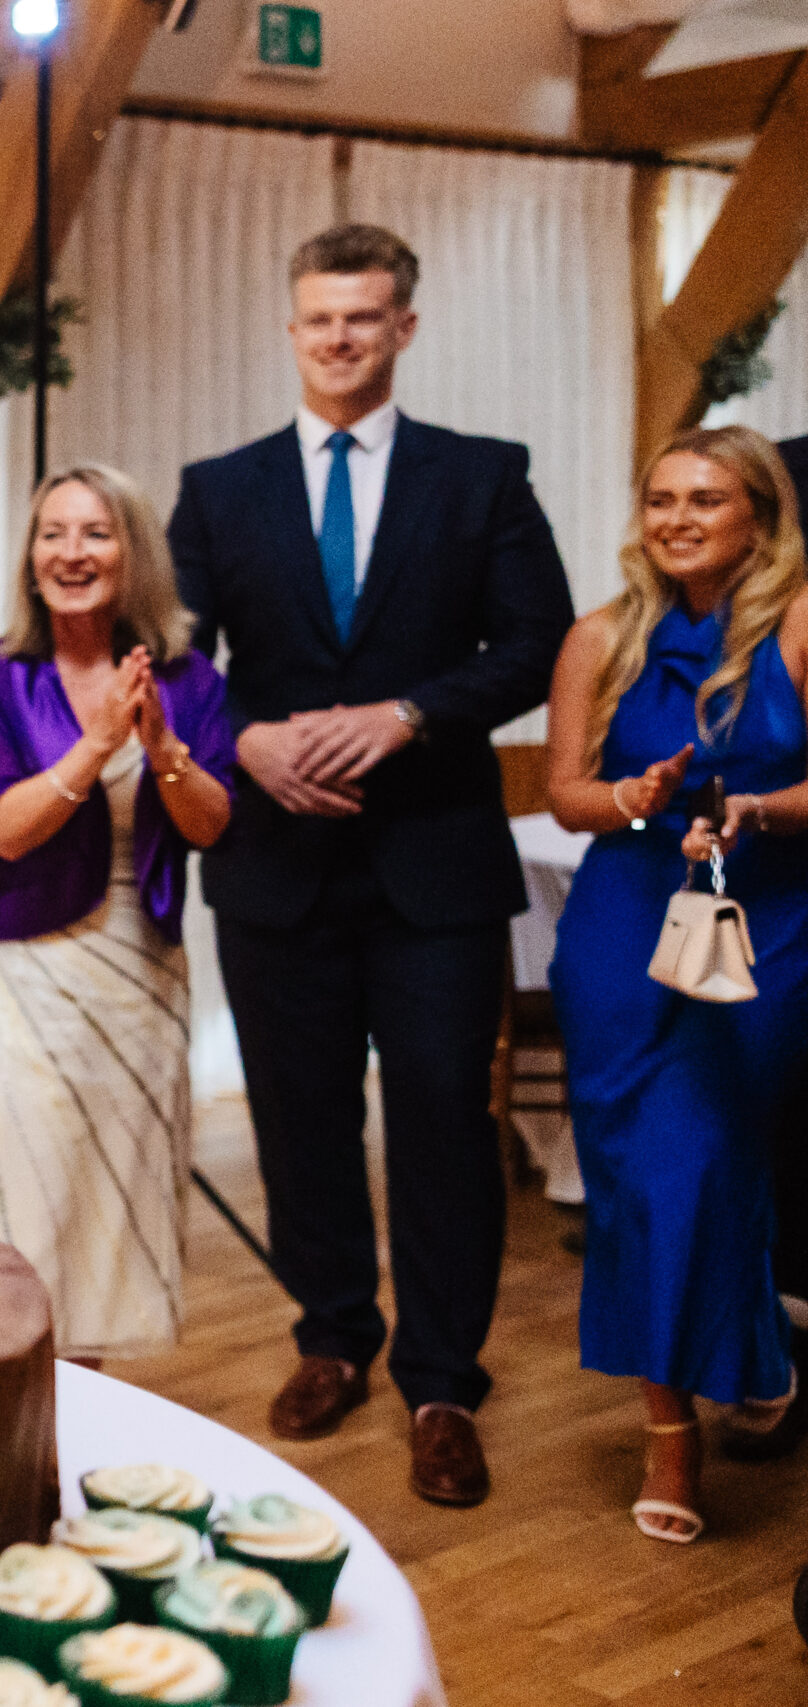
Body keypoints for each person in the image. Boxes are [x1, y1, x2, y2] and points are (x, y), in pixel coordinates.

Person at [166, 223, 573, 1506]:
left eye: (363, 317)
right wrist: (254, 738)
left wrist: (407, 716)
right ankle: (332, 1338)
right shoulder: (217, 489)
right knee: (301, 1123)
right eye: (317, 319)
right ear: (290, 331)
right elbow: (174, 668)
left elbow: (535, 643)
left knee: (447, 1126)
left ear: (403, 327)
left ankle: (444, 1380)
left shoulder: (481, 478)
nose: (338, 338)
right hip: (277, 862)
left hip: (434, 862)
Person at [0, 465, 234, 1364]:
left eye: (95, 532)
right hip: (10, 971)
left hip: (138, 975)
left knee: (98, 1214)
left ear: (134, 554)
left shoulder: (190, 680)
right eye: (53, 532)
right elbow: (2, 833)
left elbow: (211, 822)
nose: (70, 552)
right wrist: (95, 748)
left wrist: (163, 747)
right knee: (17, 1209)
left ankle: (75, 1412)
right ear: (29, 554)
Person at [545, 424, 808, 1543]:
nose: (678, 518)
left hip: (767, 916)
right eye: (660, 498)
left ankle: (746, 1346)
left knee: (707, 1158)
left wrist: (758, 808)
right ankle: (671, 1430)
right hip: (620, 921)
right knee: (629, 1176)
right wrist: (635, 798)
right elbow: (565, 794)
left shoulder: (799, 626)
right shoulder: (597, 637)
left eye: (706, 497)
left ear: (759, 514)